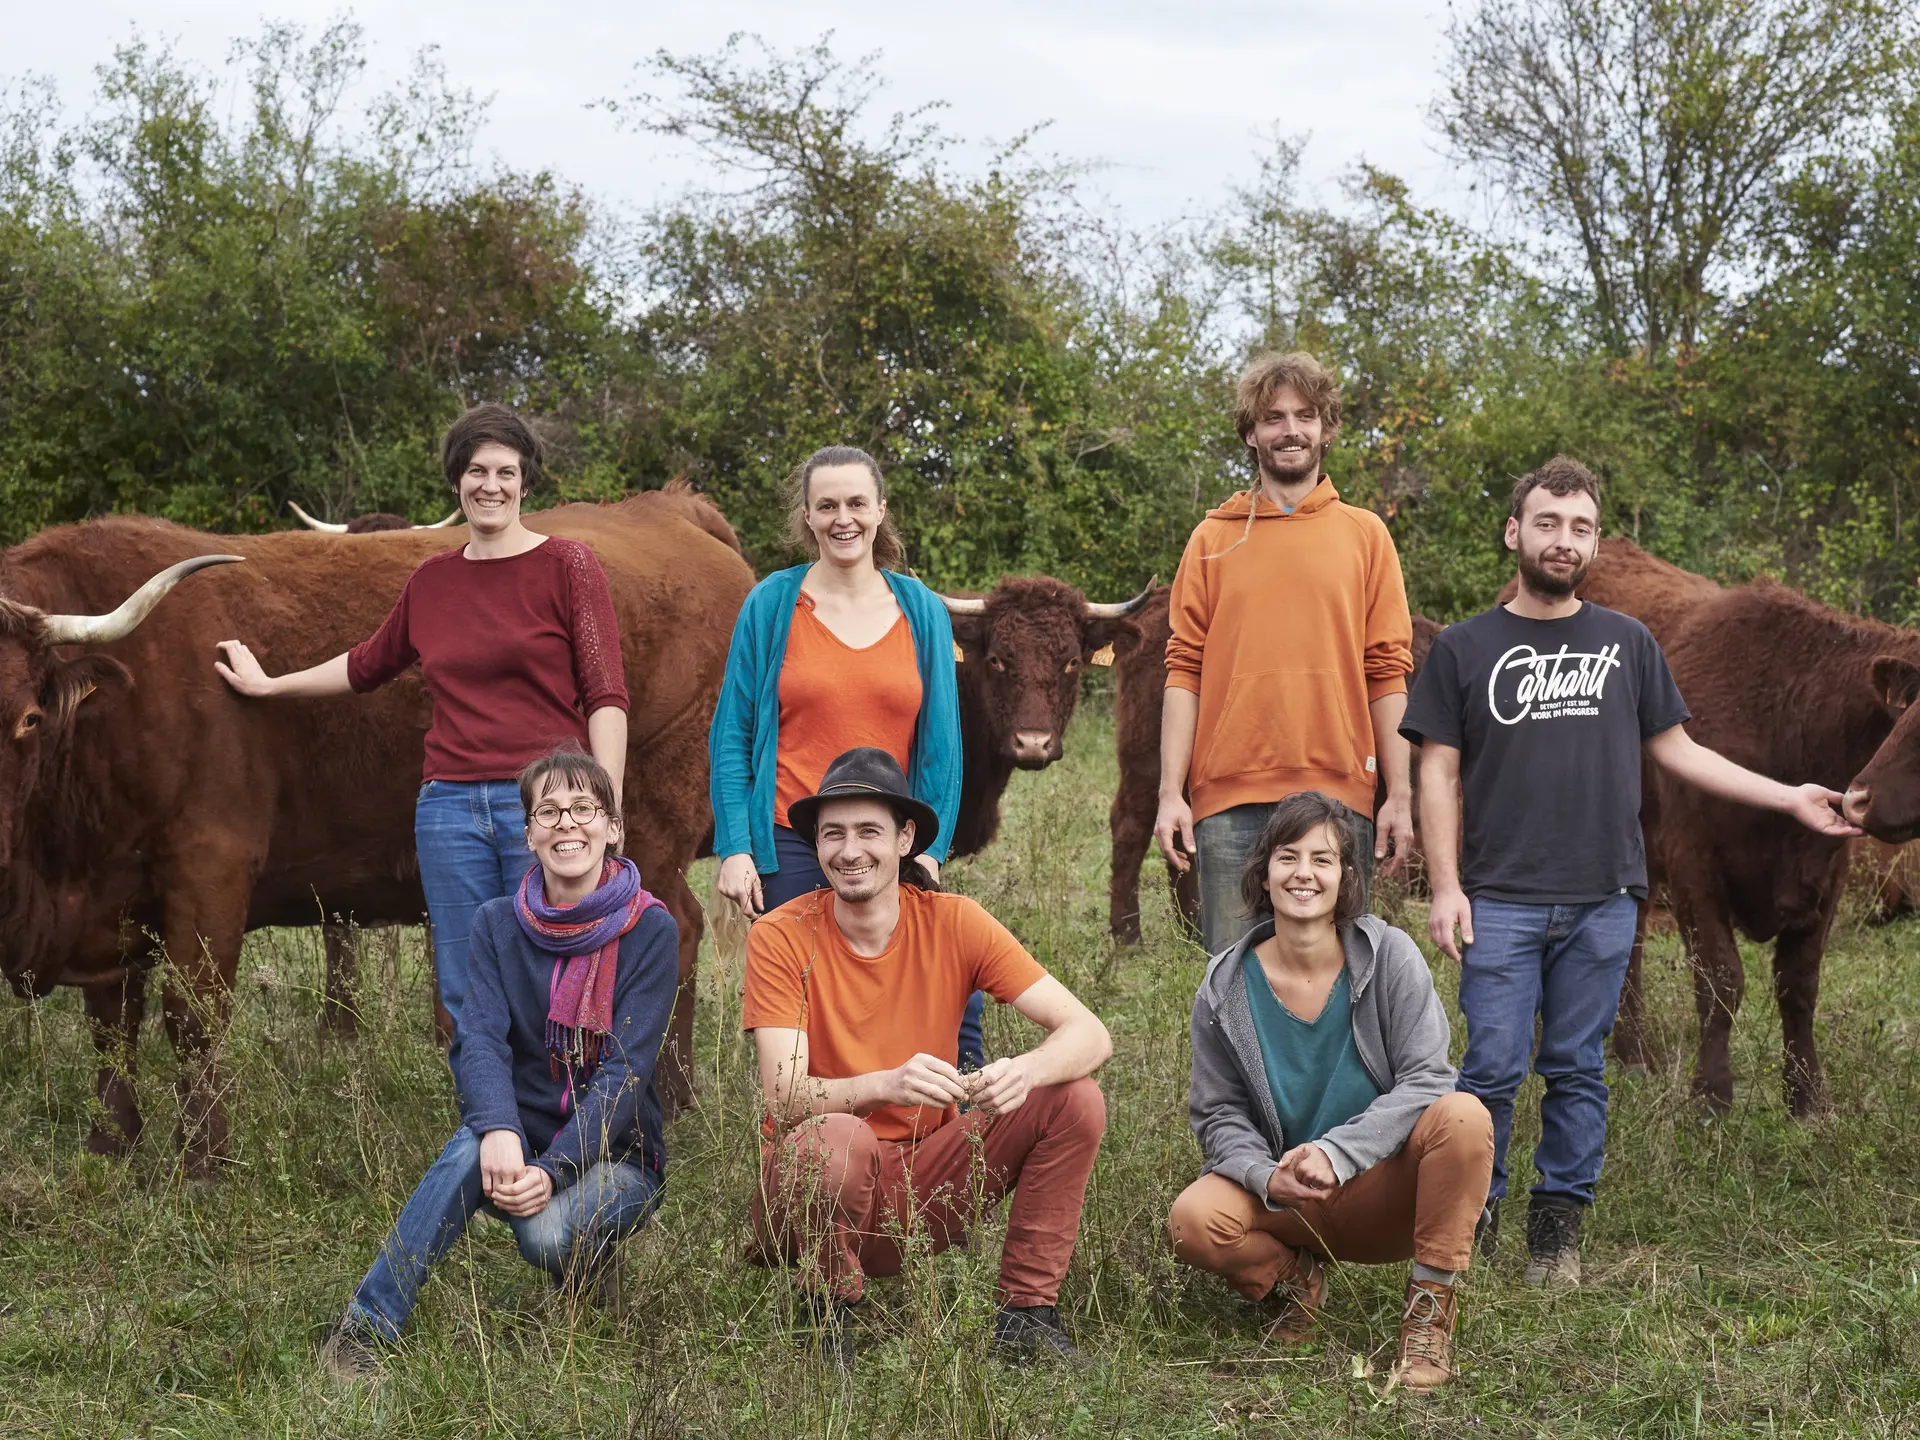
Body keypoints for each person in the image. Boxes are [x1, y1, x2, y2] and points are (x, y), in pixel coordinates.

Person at [1402, 456, 1859, 1284]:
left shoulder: (1629, 644)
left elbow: (1681, 751)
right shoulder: (1465, 650)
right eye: (1547, 523)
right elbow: (1436, 771)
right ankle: (1477, 1219)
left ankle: (1556, 1235)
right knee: (1492, 1069)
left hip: (1603, 901)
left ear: (1595, 541)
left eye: (1580, 528)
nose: (1563, 541)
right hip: (1498, 898)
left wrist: (1790, 796)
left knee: (1578, 1068)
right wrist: (1444, 887)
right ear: (1515, 532)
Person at [215, 404, 630, 1082]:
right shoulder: (433, 580)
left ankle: (567, 1132)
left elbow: (606, 692)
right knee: (468, 989)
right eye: (475, 471)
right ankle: (493, 1132)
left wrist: (601, 807)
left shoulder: (568, 566)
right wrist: (270, 686)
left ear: (526, 482)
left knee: (556, 971)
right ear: (456, 481)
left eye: (505, 472)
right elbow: (365, 665)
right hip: (448, 811)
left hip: (550, 806)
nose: (490, 485)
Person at [742, 747, 1111, 1370]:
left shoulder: (954, 921)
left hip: (922, 1190)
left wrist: (1022, 1071)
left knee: (1073, 1097)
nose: (849, 851)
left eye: (869, 832)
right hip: (811, 1196)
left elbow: (1089, 1034)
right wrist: (888, 1082)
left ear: (905, 838)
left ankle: (1025, 1313)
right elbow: (783, 1093)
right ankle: (826, 1313)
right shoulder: (779, 933)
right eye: (832, 834)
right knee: (837, 1139)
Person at [320, 746, 678, 1377]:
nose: (567, 823)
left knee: (543, 1235)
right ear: (529, 834)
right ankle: (366, 1330)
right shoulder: (495, 924)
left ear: (612, 828)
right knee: (466, 1149)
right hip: (522, 1128)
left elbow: (627, 1073)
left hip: (616, 1151)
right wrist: (501, 1129)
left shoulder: (650, 928)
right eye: (549, 812)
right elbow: (479, 1037)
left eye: (583, 808)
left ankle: (588, 1263)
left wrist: (558, 1168)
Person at [1167, 791, 1491, 1391]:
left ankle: (1427, 1317)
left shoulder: (1389, 955)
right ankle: (1296, 1279)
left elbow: (1429, 1076)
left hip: (1385, 1191)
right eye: (1288, 857)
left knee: (1463, 1115)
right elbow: (1217, 1114)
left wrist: (1337, 1154)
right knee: (1193, 1221)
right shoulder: (1224, 985)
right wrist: (1266, 1176)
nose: (1304, 874)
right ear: (1263, 873)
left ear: (1347, 877)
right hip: (1289, 1198)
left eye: (1323, 859)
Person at [709, 445, 980, 1065]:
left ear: (881, 510)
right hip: (794, 834)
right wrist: (734, 847)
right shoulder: (773, 604)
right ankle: (810, 1146)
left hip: (891, 836)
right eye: (826, 506)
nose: (843, 519)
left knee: (947, 989)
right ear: (806, 516)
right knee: (810, 1002)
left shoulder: (921, 610)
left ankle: (958, 1131)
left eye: (857, 503)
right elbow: (731, 734)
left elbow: (942, 748)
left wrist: (930, 851)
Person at [1153, 351, 1415, 955]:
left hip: (1340, 795)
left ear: (1326, 429)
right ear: (1251, 433)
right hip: (1228, 799)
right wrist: (1172, 793)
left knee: (1339, 983)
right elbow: (1183, 670)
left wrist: (1397, 797)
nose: (1290, 430)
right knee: (1234, 988)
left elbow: (1387, 673)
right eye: (1272, 417)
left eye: (1305, 415)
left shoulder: (1366, 534)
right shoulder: (1212, 538)